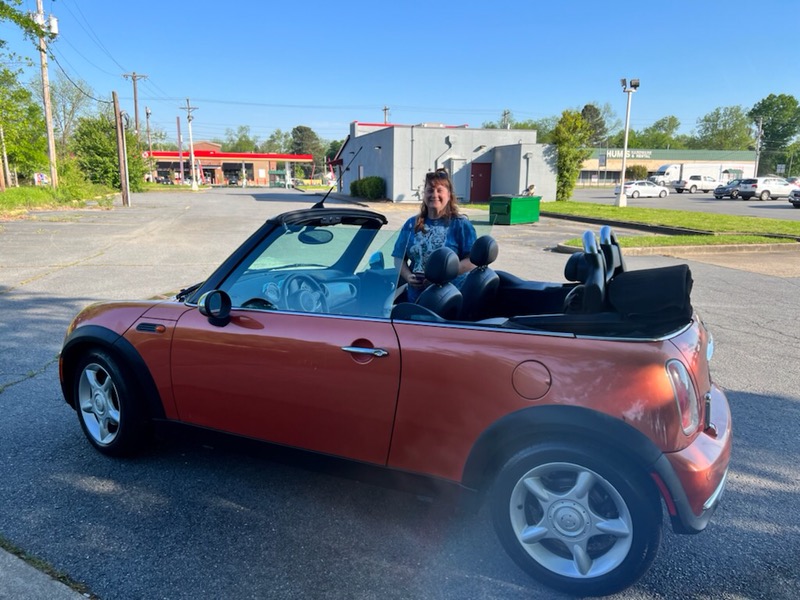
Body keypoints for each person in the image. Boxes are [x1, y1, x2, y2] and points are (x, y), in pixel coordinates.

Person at [392, 168, 477, 302]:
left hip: (448, 298)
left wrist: (442, 275)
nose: (434, 195)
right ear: (424, 194)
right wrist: (408, 276)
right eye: (430, 190)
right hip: (416, 298)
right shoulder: (411, 224)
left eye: (439, 190)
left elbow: (472, 261)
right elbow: (398, 258)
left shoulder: (461, 225)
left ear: (449, 195)